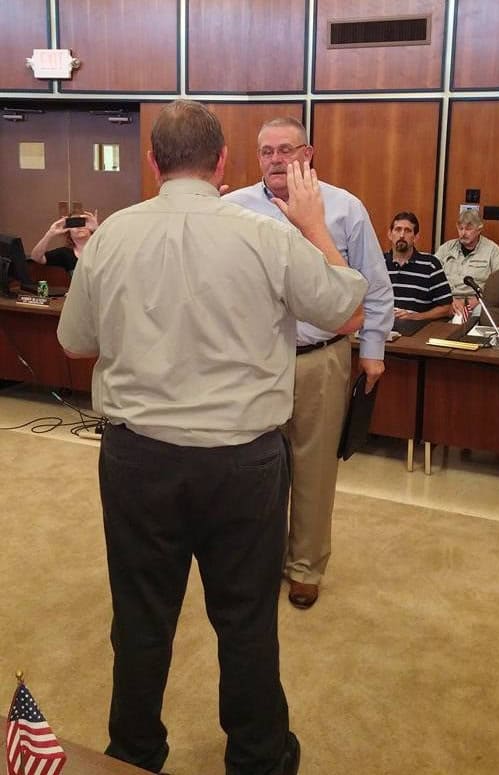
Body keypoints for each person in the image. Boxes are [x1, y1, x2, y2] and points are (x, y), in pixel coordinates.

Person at [57, 100, 367, 775]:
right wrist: (315, 224)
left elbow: (76, 342)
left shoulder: (112, 237)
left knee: (140, 617)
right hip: (243, 465)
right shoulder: (267, 235)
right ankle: (257, 757)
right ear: (224, 161)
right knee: (246, 619)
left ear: (153, 161)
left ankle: (133, 755)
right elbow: (347, 309)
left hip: (139, 460)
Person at [224, 117, 393, 610]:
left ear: (309, 153)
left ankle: (305, 567)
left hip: (323, 358)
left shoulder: (344, 207)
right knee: (257, 470)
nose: (276, 159)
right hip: (254, 362)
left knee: (315, 470)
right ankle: (261, 559)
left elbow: (375, 286)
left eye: (286, 149)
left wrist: (373, 351)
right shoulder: (232, 209)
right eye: (266, 152)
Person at [435, 209, 499, 320]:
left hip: (477, 302)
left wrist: (479, 299)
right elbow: (432, 278)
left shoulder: (493, 251)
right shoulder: (446, 248)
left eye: (468, 229)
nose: (463, 233)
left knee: (482, 313)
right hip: (448, 301)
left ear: (479, 229)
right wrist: (449, 300)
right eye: (460, 228)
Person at [385, 212, 452, 320]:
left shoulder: (430, 264)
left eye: (408, 231)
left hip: (416, 328)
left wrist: (416, 317)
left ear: (416, 237)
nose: (402, 235)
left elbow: (446, 307)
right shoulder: (378, 263)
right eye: (398, 230)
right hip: (382, 326)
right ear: (390, 234)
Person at [30, 210, 99, 274]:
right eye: (74, 223)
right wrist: (50, 233)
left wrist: (97, 230)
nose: (79, 227)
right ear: (68, 231)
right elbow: (36, 257)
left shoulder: (101, 247)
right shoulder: (65, 253)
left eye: (82, 222)